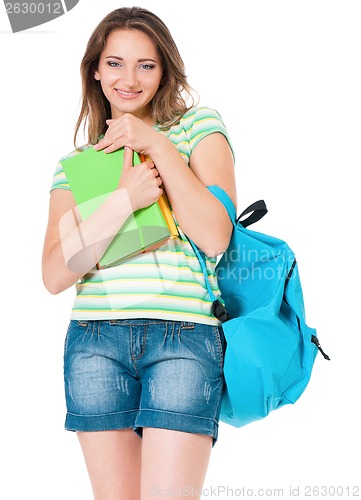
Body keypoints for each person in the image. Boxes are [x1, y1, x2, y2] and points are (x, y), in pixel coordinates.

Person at [42, 6, 237, 499]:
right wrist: (125, 199)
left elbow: (217, 236)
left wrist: (158, 146)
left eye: (146, 65)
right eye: (115, 63)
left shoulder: (198, 129)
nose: (129, 79)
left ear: (164, 70)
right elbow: (54, 274)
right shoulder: (76, 165)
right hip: (94, 343)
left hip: (183, 337)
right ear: (95, 69)